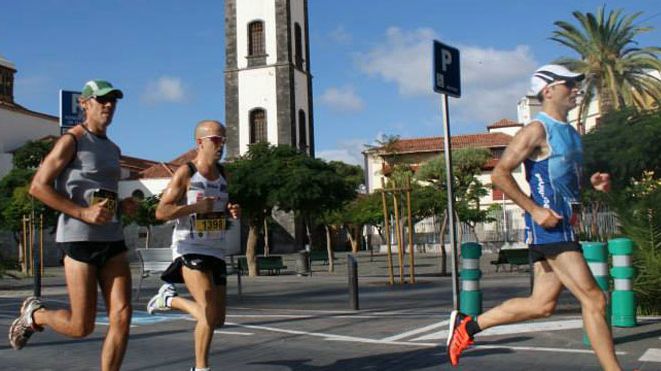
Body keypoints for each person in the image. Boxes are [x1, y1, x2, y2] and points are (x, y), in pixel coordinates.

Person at [446, 65, 621, 370]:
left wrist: (591, 182)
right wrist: (535, 210)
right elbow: (500, 175)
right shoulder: (536, 129)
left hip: (563, 227)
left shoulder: (571, 134)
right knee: (595, 300)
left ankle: (467, 327)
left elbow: (565, 181)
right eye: (570, 84)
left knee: (542, 305)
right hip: (550, 230)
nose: (576, 89)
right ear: (548, 90)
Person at [9, 80, 136, 371]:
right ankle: (35, 315)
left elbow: (102, 197)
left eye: (113, 101)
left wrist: (123, 207)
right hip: (79, 239)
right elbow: (38, 187)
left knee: (123, 315)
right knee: (82, 326)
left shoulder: (114, 149)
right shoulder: (71, 141)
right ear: (85, 104)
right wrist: (83, 213)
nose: (108, 105)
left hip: (112, 237)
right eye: (101, 100)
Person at [146, 120, 240, 371]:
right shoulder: (186, 172)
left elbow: (220, 205)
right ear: (200, 143)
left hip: (216, 248)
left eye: (224, 140)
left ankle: (169, 300)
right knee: (207, 309)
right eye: (216, 140)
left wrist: (231, 209)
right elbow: (161, 211)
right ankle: (201, 368)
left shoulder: (224, 174)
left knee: (217, 319)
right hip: (189, 247)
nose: (222, 146)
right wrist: (195, 208)